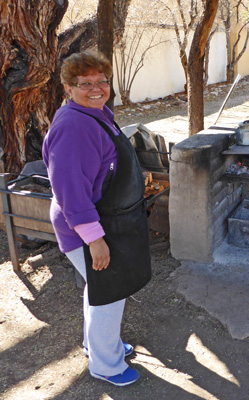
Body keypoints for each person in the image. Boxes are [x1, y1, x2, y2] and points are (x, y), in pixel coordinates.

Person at [42, 51, 151, 387]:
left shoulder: (95, 113)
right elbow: (71, 191)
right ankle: (106, 365)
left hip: (106, 219)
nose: (96, 88)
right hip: (87, 227)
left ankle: (98, 346)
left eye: (101, 81)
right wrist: (95, 240)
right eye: (84, 83)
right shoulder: (73, 126)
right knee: (109, 293)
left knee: (98, 289)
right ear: (68, 87)